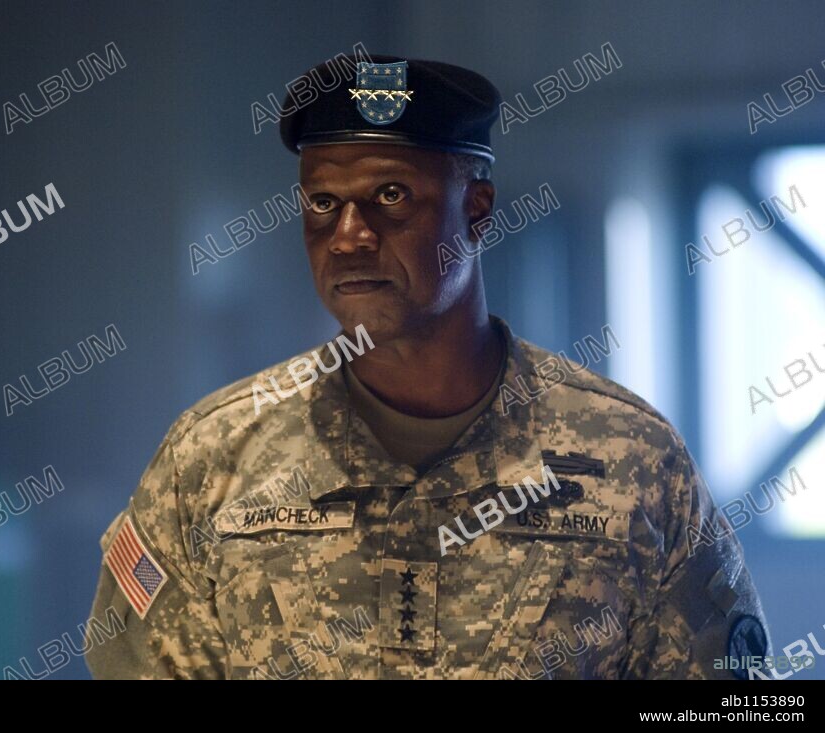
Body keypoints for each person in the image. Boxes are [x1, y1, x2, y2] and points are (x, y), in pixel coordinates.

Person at [84, 53, 771, 679]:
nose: (349, 236)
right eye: (323, 204)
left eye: (390, 197)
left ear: (477, 208)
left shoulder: (630, 459)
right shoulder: (211, 463)